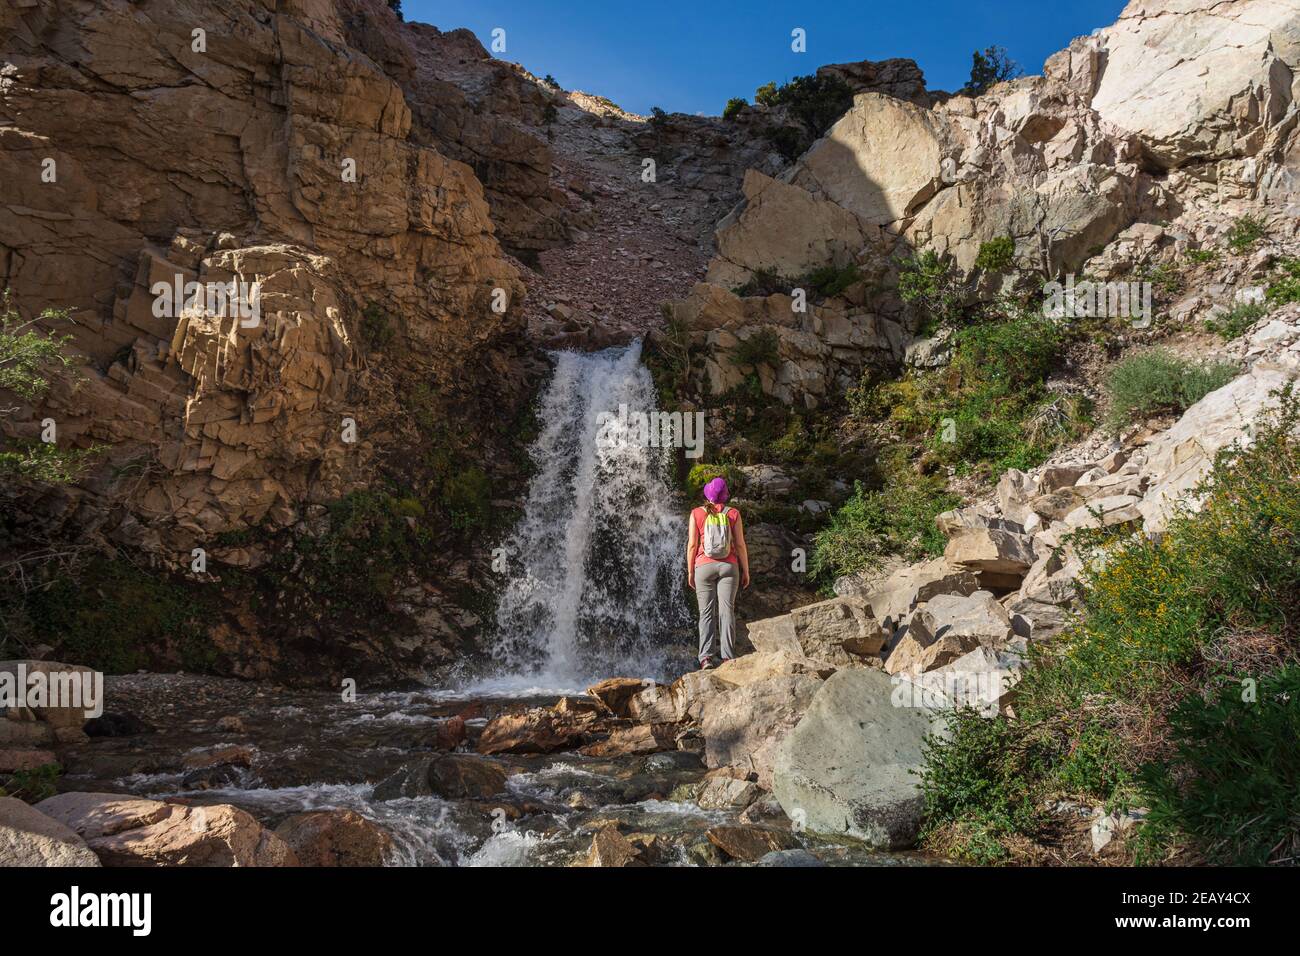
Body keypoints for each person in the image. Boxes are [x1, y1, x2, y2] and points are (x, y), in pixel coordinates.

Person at [686, 476, 750, 669]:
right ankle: (728, 657)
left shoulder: (696, 513)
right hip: (729, 567)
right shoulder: (733, 513)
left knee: (706, 613)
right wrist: (745, 570)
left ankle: (706, 658)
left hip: (703, 567)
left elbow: (692, 545)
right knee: (726, 611)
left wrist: (690, 571)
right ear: (725, 495)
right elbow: (739, 544)